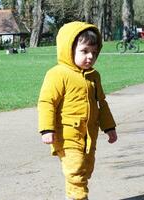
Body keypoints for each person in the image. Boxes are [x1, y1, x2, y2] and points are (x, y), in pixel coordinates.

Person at [37, 21, 117, 200]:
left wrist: (109, 127)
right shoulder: (58, 74)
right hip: (67, 135)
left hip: (89, 134)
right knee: (76, 171)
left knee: (86, 170)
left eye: (94, 53)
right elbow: (46, 102)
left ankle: (73, 197)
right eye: (84, 51)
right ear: (69, 49)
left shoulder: (94, 76)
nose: (90, 57)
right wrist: (47, 129)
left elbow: (101, 104)